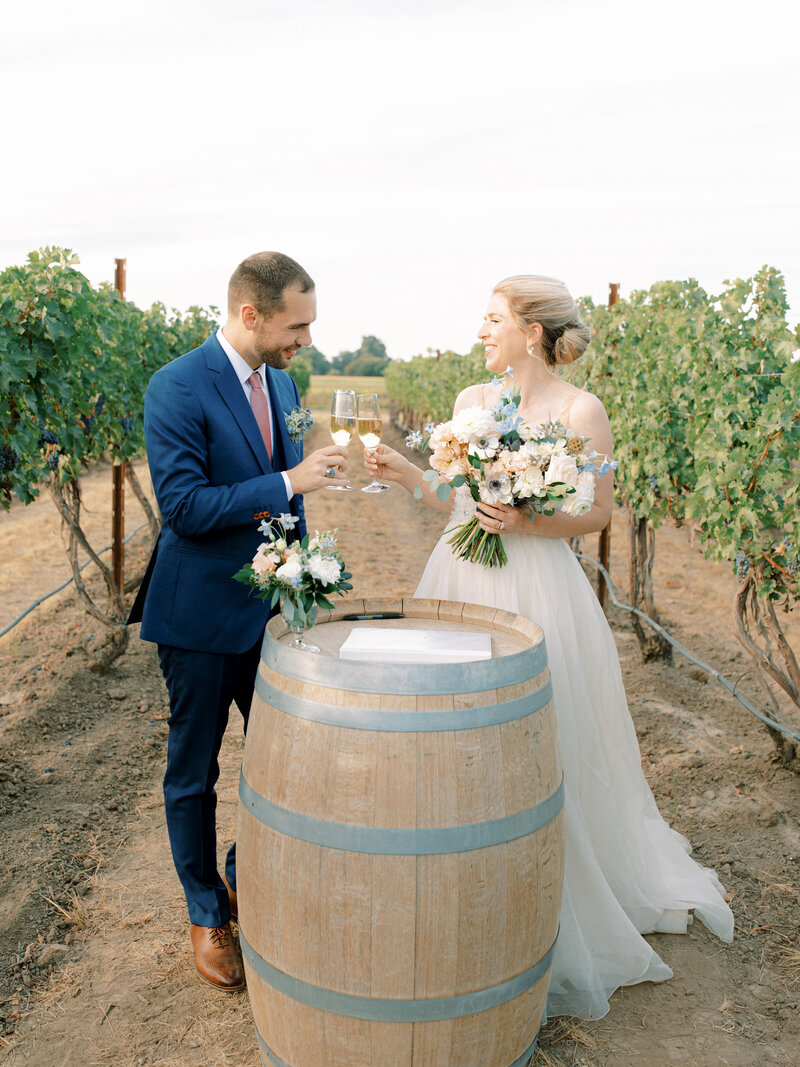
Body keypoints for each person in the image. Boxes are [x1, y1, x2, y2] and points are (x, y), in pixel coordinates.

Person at [364, 274, 734, 1021]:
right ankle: (469, 888)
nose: (481, 330)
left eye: (493, 318)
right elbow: (453, 497)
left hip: (539, 589)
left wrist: (525, 521)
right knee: (460, 734)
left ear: (531, 331)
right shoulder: (472, 402)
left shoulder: (578, 409)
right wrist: (407, 472)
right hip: (461, 574)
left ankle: (552, 904)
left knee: (546, 736)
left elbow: (596, 512)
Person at [128, 251, 350, 992]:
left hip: (272, 616)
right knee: (195, 773)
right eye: (298, 323)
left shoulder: (285, 384)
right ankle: (204, 912)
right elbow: (185, 509)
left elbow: (293, 484)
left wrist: (303, 571)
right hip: (197, 616)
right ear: (250, 314)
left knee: (288, 760)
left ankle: (241, 876)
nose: (307, 339)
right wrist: (288, 480)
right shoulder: (176, 386)